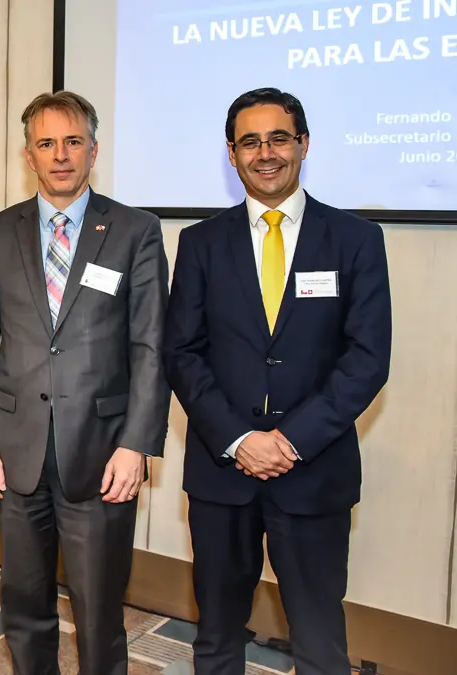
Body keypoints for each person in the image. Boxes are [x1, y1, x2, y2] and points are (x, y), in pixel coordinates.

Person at [163, 87, 391, 675]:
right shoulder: (200, 243)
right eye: (250, 142)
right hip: (223, 472)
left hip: (314, 473)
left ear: (303, 144)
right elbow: (182, 352)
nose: (265, 153)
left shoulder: (355, 239)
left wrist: (289, 441)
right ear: (232, 154)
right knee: (217, 634)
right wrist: (240, 440)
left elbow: (367, 359)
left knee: (319, 640)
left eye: (279, 138)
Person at [0, 91, 170, 675]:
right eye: (46, 143)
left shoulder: (135, 231)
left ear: (93, 150)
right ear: (28, 155)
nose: (60, 155)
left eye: (73, 141)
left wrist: (136, 444)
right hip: (15, 451)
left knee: (98, 611)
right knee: (24, 602)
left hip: (102, 455)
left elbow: (150, 346)